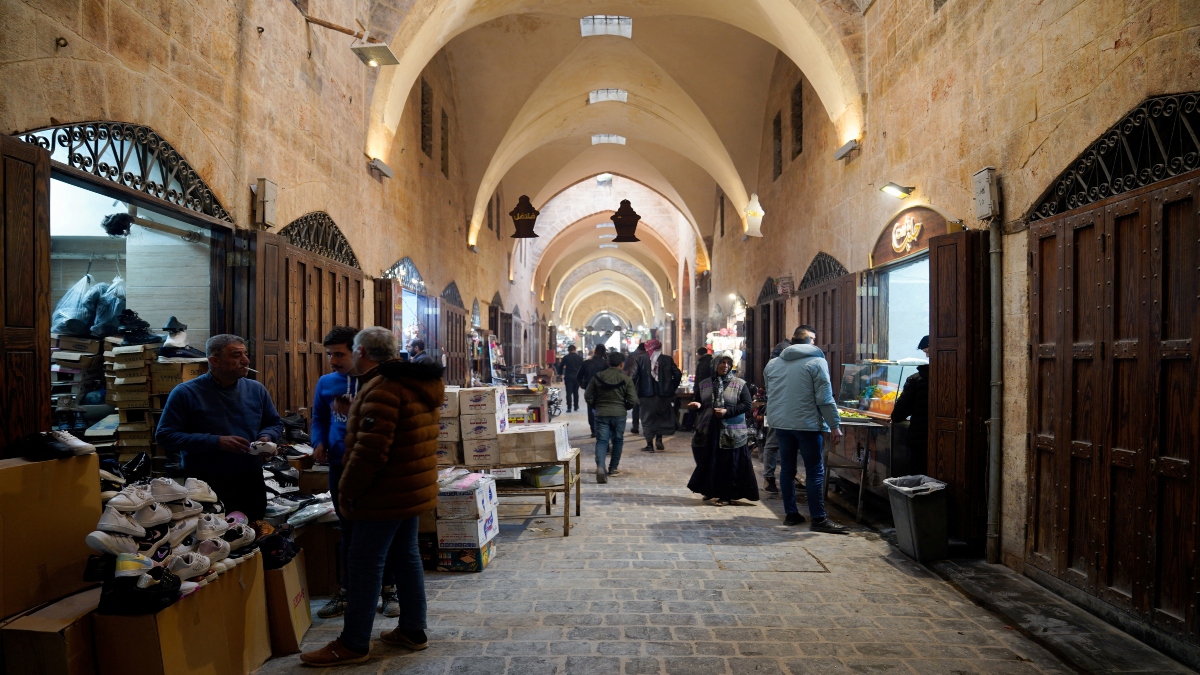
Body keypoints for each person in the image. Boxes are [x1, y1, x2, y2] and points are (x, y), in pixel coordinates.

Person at [300, 327, 443, 666]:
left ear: (361, 352)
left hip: (383, 493)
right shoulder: (412, 381)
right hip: (408, 488)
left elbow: (370, 452)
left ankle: (353, 643)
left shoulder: (384, 388)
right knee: (406, 557)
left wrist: (348, 493)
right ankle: (412, 629)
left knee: (364, 564)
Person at [156, 334, 283, 521]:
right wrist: (215, 442)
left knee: (253, 532)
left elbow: (274, 423)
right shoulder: (186, 393)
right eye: (236, 355)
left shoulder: (256, 389)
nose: (246, 361)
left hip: (250, 479)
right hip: (205, 483)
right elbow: (165, 436)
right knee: (212, 540)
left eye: (245, 354)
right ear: (215, 361)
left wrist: (267, 438)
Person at [763, 325, 848, 534]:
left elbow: (771, 392)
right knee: (814, 471)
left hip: (781, 424)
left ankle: (791, 514)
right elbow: (825, 398)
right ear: (811, 340)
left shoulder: (773, 364)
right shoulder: (817, 362)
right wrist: (834, 424)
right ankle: (818, 518)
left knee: (787, 469)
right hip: (807, 425)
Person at [687, 354, 759, 505]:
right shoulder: (704, 384)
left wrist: (727, 412)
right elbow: (700, 401)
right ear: (715, 364)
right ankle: (710, 490)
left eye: (728, 363)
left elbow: (746, 405)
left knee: (727, 464)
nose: (725, 365)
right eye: (722, 362)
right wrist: (697, 405)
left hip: (731, 431)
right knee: (710, 461)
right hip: (709, 430)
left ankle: (726, 495)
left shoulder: (739, 384)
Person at [584, 351, 638, 483]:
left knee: (602, 441)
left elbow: (588, 395)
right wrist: (625, 407)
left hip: (601, 413)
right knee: (618, 440)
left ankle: (601, 467)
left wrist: (596, 405)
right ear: (621, 364)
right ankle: (613, 468)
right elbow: (632, 400)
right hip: (619, 414)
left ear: (608, 363)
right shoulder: (626, 379)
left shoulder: (598, 377)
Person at [629, 339, 682, 452]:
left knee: (647, 419)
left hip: (645, 395)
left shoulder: (640, 359)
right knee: (660, 418)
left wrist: (631, 391)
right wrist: (671, 387)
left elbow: (633, 377)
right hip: (664, 395)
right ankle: (659, 440)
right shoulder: (667, 359)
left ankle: (649, 445)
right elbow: (677, 374)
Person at [890, 335, 930, 475]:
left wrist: (894, 417)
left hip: (918, 438)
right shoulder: (948, 375)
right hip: (940, 438)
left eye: (927, 352)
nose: (927, 355)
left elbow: (900, 411)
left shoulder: (915, 380)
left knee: (918, 474)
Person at [760, 340, 792, 494]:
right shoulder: (774, 365)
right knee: (772, 443)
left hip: (781, 407)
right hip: (776, 407)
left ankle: (772, 478)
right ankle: (769, 478)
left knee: (774, 443)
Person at [580, 345, 608, 437]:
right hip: (604, 390)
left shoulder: (587, 363)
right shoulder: (606, 364)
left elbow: (579, 376)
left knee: (591, 409)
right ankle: (602, 428)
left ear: (595, 352)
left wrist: (583, 385)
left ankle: (594, 430)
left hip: (590, 389)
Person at [624, 343, 646, 435]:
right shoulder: (650, 357)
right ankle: (646, 428)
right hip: (648, 385)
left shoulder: (632, 356)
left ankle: (635, 426)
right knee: (646, 408)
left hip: (636, 384)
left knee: (636, 406)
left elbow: (626, 370)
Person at [560, 345, 584, 413]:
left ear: (568, 350)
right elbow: (582, 367)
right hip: (577, 377)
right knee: (576, 392)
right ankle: (576, 406)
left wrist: (560, 374)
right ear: (575, 349)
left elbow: (561, 366)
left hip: (568, 377)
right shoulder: (579, 357)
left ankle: (569, 407)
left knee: (568, 393)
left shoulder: (566, 357)